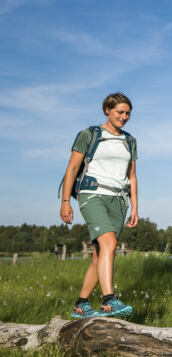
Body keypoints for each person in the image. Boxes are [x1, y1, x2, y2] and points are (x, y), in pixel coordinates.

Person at [60, 92, 139, 319]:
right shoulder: (89, 135)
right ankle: (108, 301)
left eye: (128, 114)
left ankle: (81, 304)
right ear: (107, 110)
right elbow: (72, 169)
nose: (124, 117)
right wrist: (65, 201)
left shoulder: (129, 141)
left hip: (118, 200)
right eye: (119, 112)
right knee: (110, 243)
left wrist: (134, 206)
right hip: (92, 194)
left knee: (101, 252)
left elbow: (132, 176)